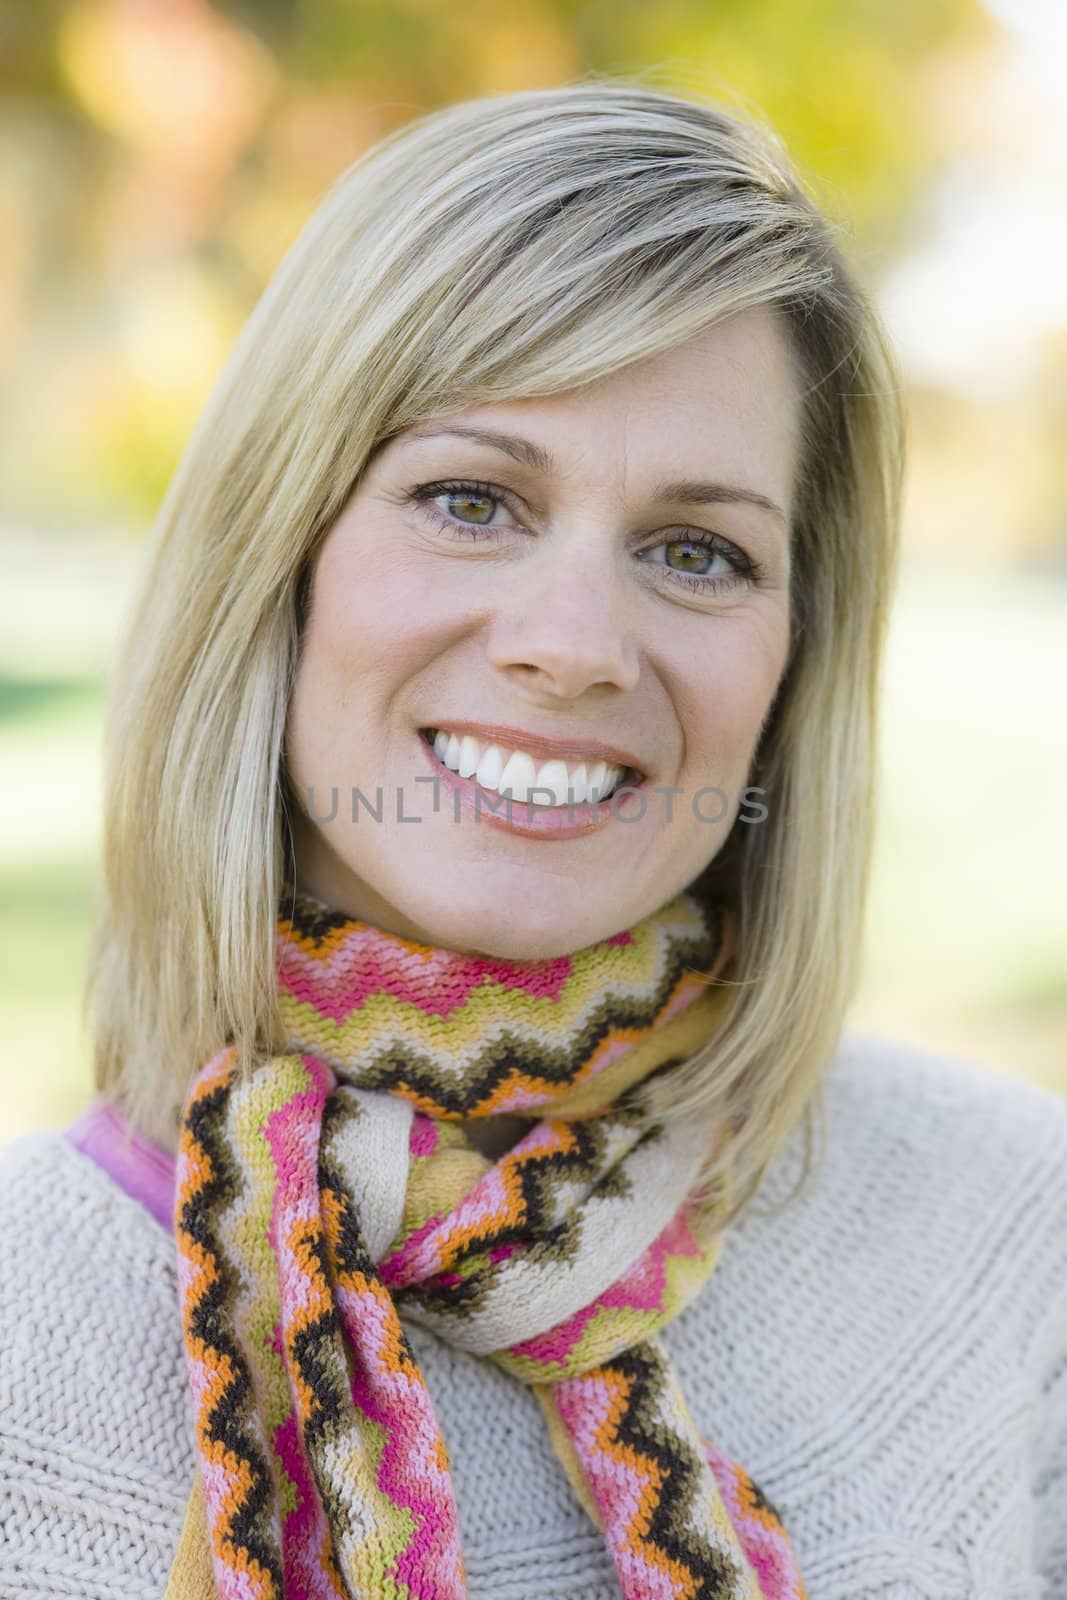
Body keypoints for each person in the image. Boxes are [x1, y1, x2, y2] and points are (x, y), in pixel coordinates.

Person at [0, 79, 1064, 1600]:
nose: (575, 646)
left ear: (792, 661)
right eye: (471, 499)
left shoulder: (1014, 1234)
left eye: (698, 551)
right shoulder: (22, 1331)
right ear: (278, 560)